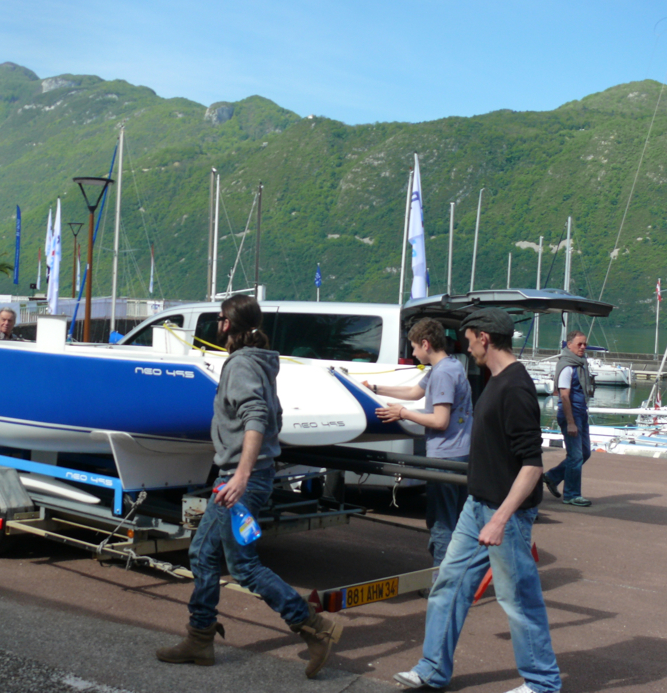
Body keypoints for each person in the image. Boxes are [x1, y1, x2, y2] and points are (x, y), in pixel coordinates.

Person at [156, 295, 342, 678]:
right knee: (202, 555)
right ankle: (200, 638)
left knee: (244, 566)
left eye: (220, 319)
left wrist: (240, 475)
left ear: (227, 325)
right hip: (243, 475)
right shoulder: (260, 361)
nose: (218, 325)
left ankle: (314, 626)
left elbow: (257, 415)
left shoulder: (240, 364)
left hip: (241, 479)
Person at [394, 308, 561, 693]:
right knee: (449, 584)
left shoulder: (515, 388)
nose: (466, 349)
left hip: (507, 514)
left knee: (518, 599)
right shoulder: (496, 380)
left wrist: (500, 519)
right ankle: (432, 669)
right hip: (477, 506)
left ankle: (542, 683)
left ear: (484, 338)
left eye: (469, 341)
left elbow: (532, 466)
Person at [364, 317, 472, 568]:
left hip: (445, 457)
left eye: (413, 347)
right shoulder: (450, 366)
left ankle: (440, 582)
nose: (412, 353)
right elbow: (415, 392)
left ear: (426, 344)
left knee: (441, 523)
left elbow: (440, 420)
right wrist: (374, 388)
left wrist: (403, 414)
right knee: (456, 521)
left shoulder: (442, 373)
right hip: (462, 454)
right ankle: (457, 576)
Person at [543, 331, 593, 507]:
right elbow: (564, 396)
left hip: (581, 413)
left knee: (585, 453)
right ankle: (571, 494)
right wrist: (571, 422)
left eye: (585, 344)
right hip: (571, 415)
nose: (583, 347)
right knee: (576, 456)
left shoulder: (581, 365)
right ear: (569, 345)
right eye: (579, 344)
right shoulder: (567, 367)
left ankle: (552, 476)